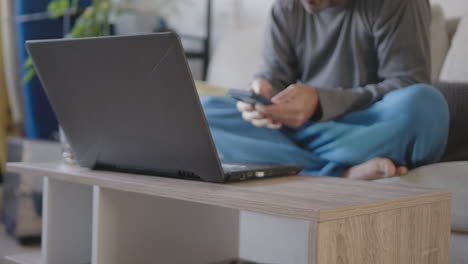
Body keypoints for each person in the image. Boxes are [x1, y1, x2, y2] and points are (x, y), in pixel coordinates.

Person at [201, 0, 449, 180]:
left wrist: (322, 101)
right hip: (303, 130)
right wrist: (260, 96)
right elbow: (272, 76)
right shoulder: (286, 8)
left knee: (427, 105)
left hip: (364, 128)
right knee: (205, 112)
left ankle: (301, 167)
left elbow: (407, 82)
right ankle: (340, 172)